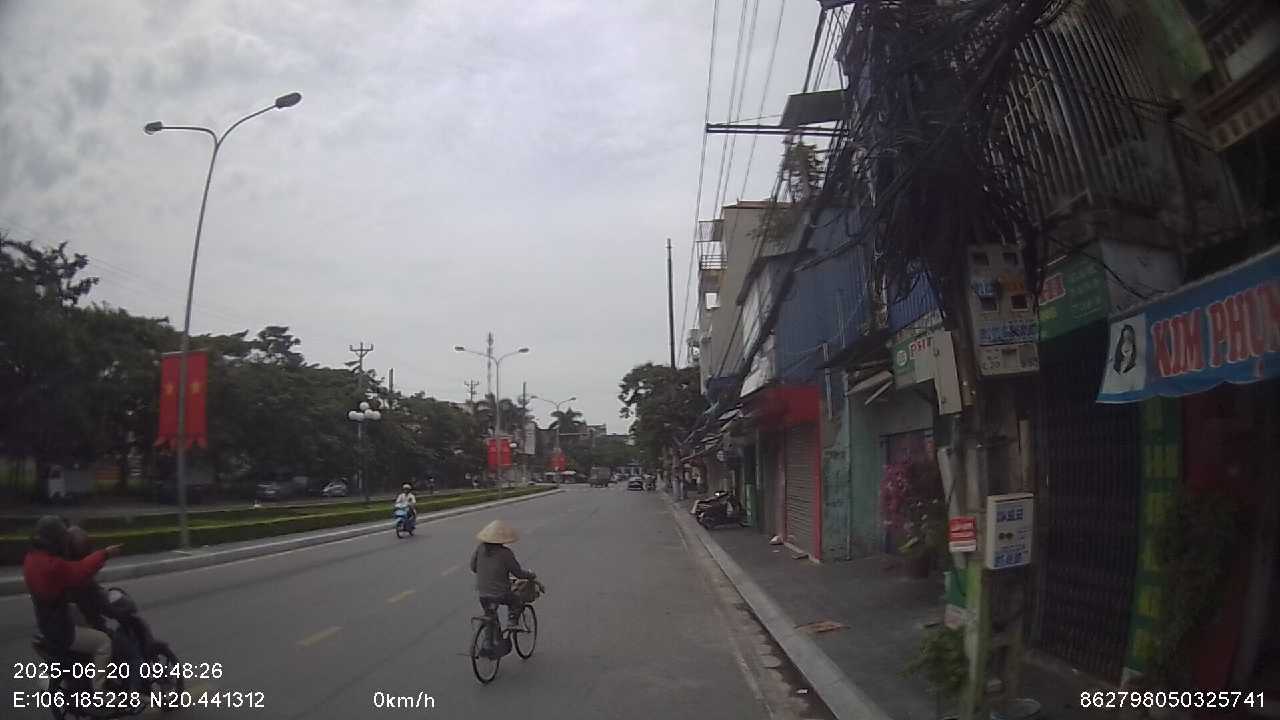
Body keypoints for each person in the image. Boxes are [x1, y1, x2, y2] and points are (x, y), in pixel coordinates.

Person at [23, 516, 122, 696]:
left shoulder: (30, 560)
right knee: (104, 643)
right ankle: (100, 691)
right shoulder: (54, 567)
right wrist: (105, 553)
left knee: (79, 614)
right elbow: (81, 570)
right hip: (61, 630)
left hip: (47, 620)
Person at [469, 520, 535, 656]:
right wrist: (530, 575)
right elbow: (518, 573)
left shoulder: (480, 549)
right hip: (501, 594)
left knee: (490, 616)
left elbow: (473, 567)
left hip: (483, 594)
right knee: (516, 600)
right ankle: (512, 621)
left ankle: (487, 644)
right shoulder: (505, 553)